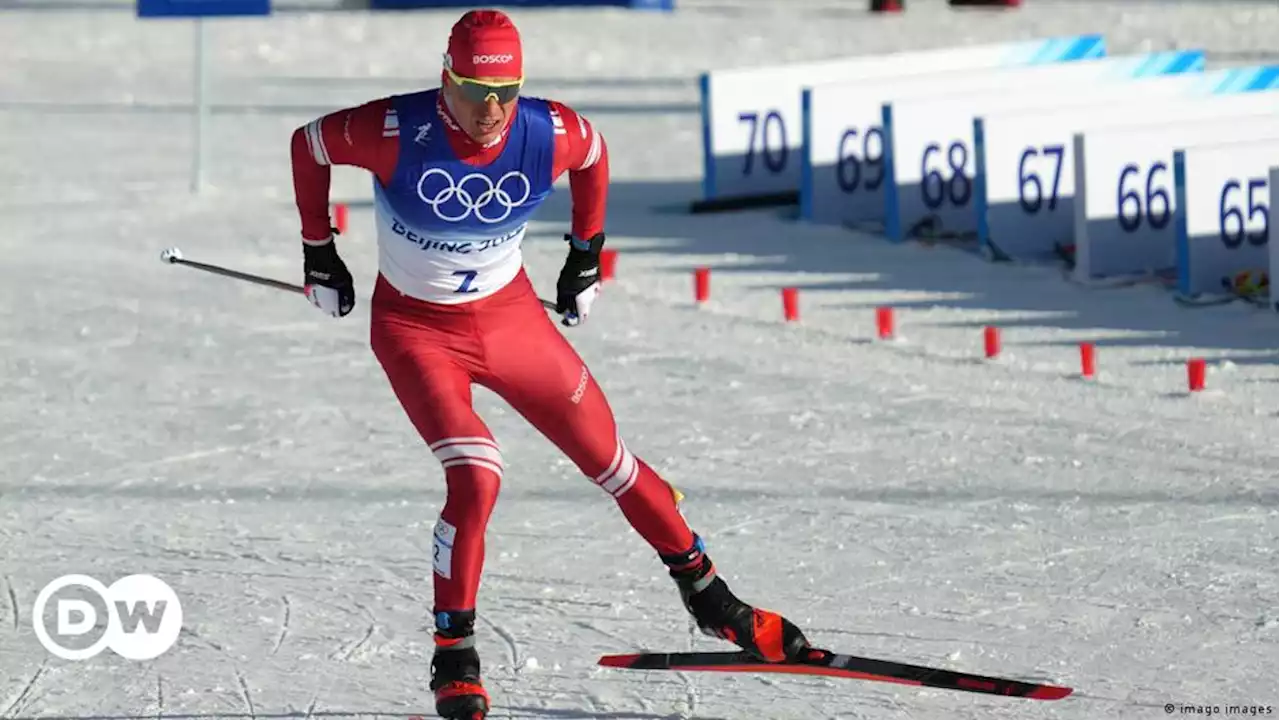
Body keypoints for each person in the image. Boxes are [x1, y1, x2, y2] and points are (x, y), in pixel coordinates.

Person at [288, 9, 810, 720]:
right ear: (447, 81)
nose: (490, 110)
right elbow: (308, 145)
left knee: (613, 460)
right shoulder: (390, 131)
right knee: (477, 473)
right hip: (418, 332)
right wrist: (320, 250)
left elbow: (595, 157)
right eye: (474, 91)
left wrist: (585, 254)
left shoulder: (547, 130)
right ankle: (455, 657)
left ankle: (713, 598)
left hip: (510, 322)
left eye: (505, 92)